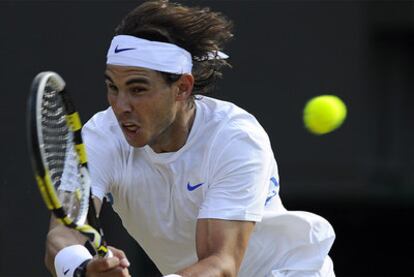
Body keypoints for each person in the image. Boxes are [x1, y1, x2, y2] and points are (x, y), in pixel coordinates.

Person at [45, 0, 336, 276]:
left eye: (138, 89)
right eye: (113, 87)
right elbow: (63, 232)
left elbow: (221, 264)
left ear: (182, 88)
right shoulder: (101, 135)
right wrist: (83, 269)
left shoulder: (236, 138)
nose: (120, 106)